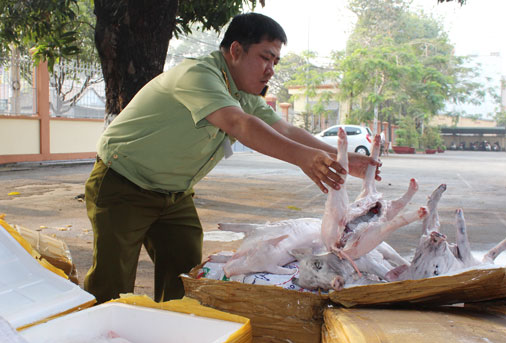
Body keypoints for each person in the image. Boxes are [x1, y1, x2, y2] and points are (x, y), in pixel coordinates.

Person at [83, 13, 380, 304]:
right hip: (123, 181)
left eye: (275, 61)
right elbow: (239, 124)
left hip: (174, 195)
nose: (271, 70)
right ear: (236, 50)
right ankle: (92, 342)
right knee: (112, 283)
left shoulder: (243, 95)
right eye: (266, 57)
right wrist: (304, 159)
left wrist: (341, 157)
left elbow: (285, 128)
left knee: (184, 277)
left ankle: (172, 335)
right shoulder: (198, 75)